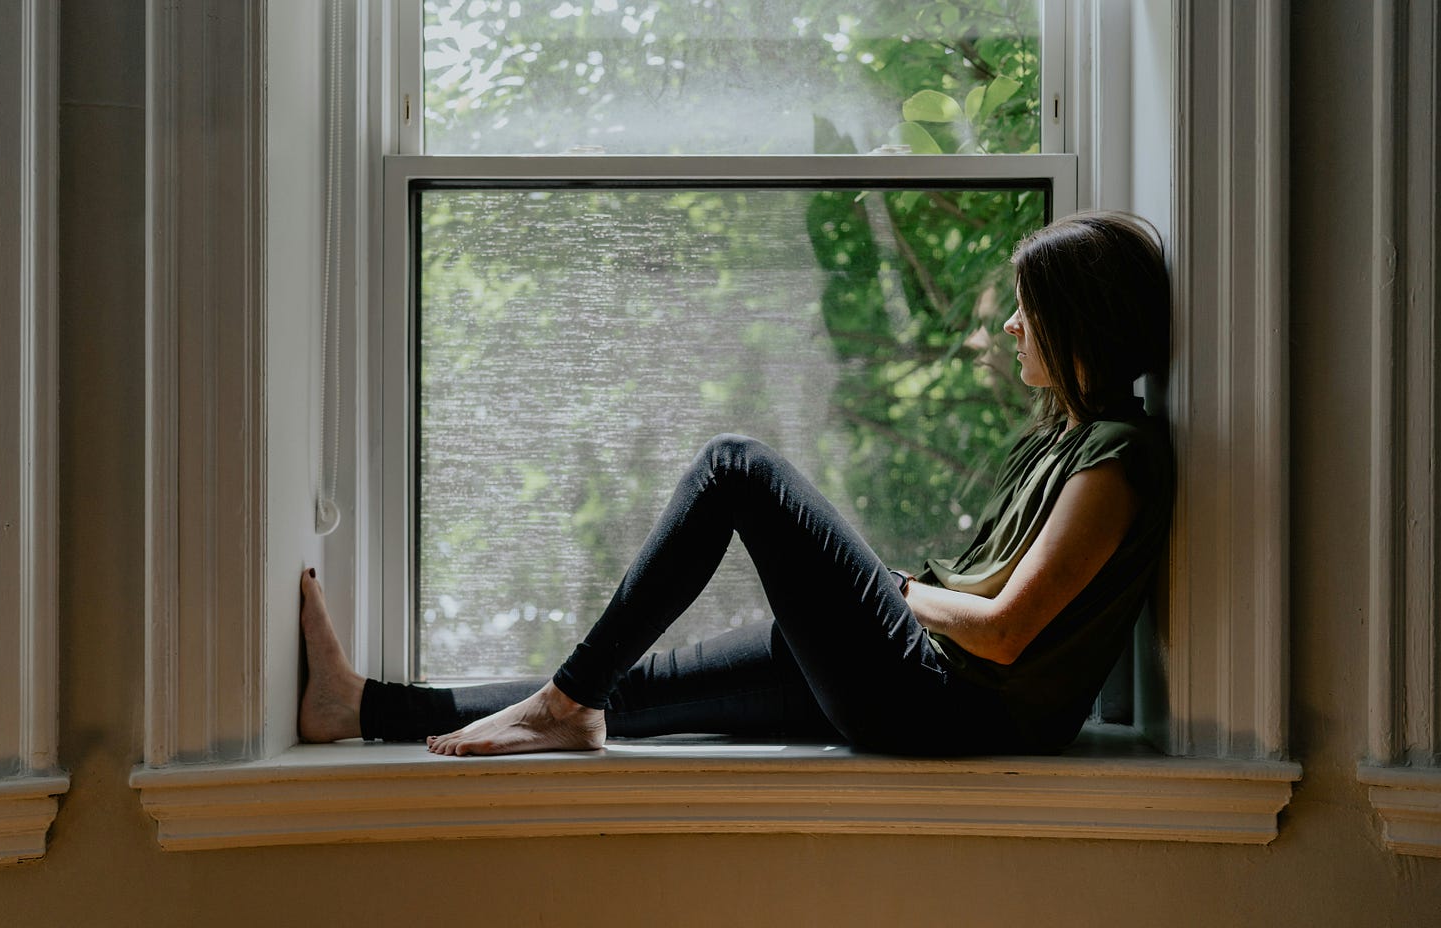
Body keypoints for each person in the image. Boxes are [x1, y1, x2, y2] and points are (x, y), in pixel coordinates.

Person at [299, 210, 1173, 758]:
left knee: (737, 466)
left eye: (1032, 309)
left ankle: (560, 701)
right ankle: (361, 707)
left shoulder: (1116, 461)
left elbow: (1007, 632)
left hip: (946, 708)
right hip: (922, 686)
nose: (1015, 325)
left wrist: (891, 586)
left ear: (1078, 322)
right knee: (621, 689)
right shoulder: (1068, 438)